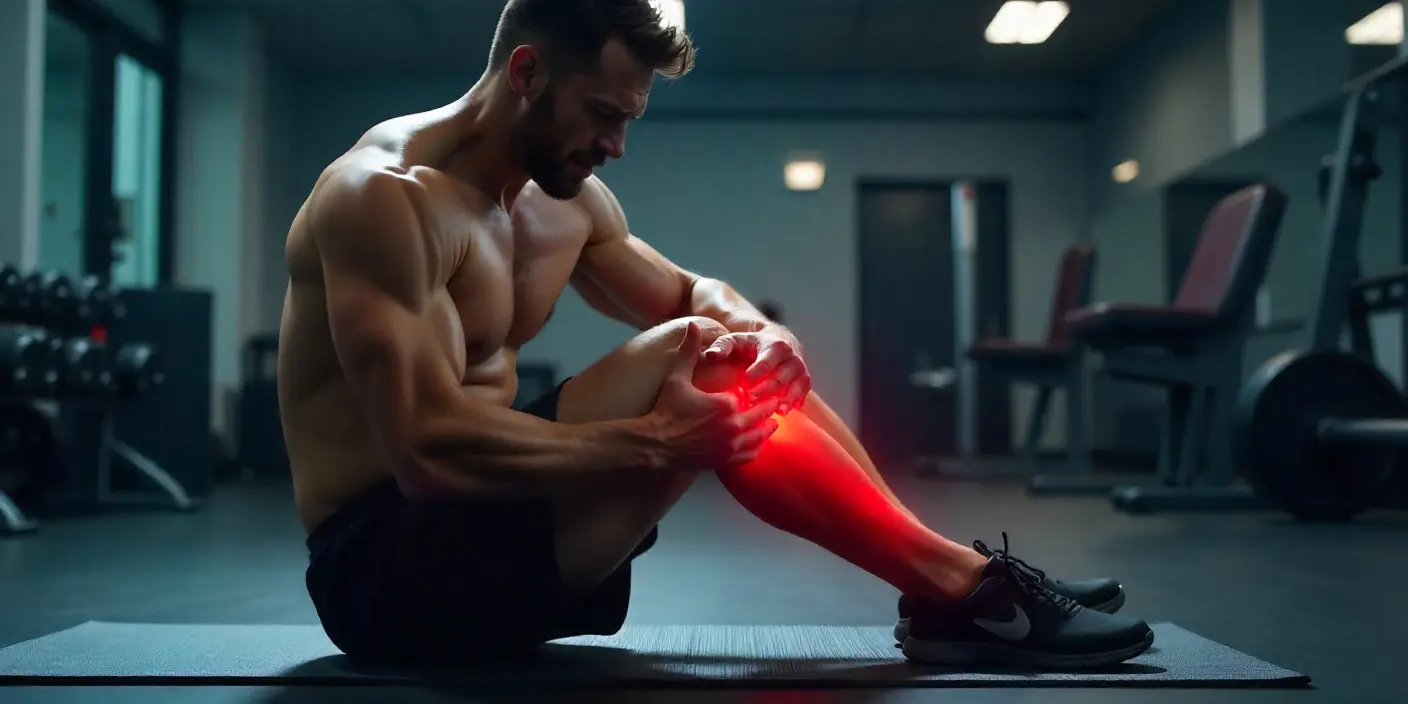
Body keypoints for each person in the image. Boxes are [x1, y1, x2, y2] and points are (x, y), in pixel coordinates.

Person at [279, 0, 1153, 669]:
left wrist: (766, 332)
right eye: (602, 114)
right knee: (696, 356)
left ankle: (949, 584)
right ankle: (962, 589)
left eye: (630, 119)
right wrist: (652, 440)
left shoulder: (564, 203)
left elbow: (692, 292)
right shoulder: (385, 198)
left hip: (493, 531)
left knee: (729, 347)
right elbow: (425, 452)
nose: (616, 145)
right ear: (527, 71)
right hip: (384, 572)